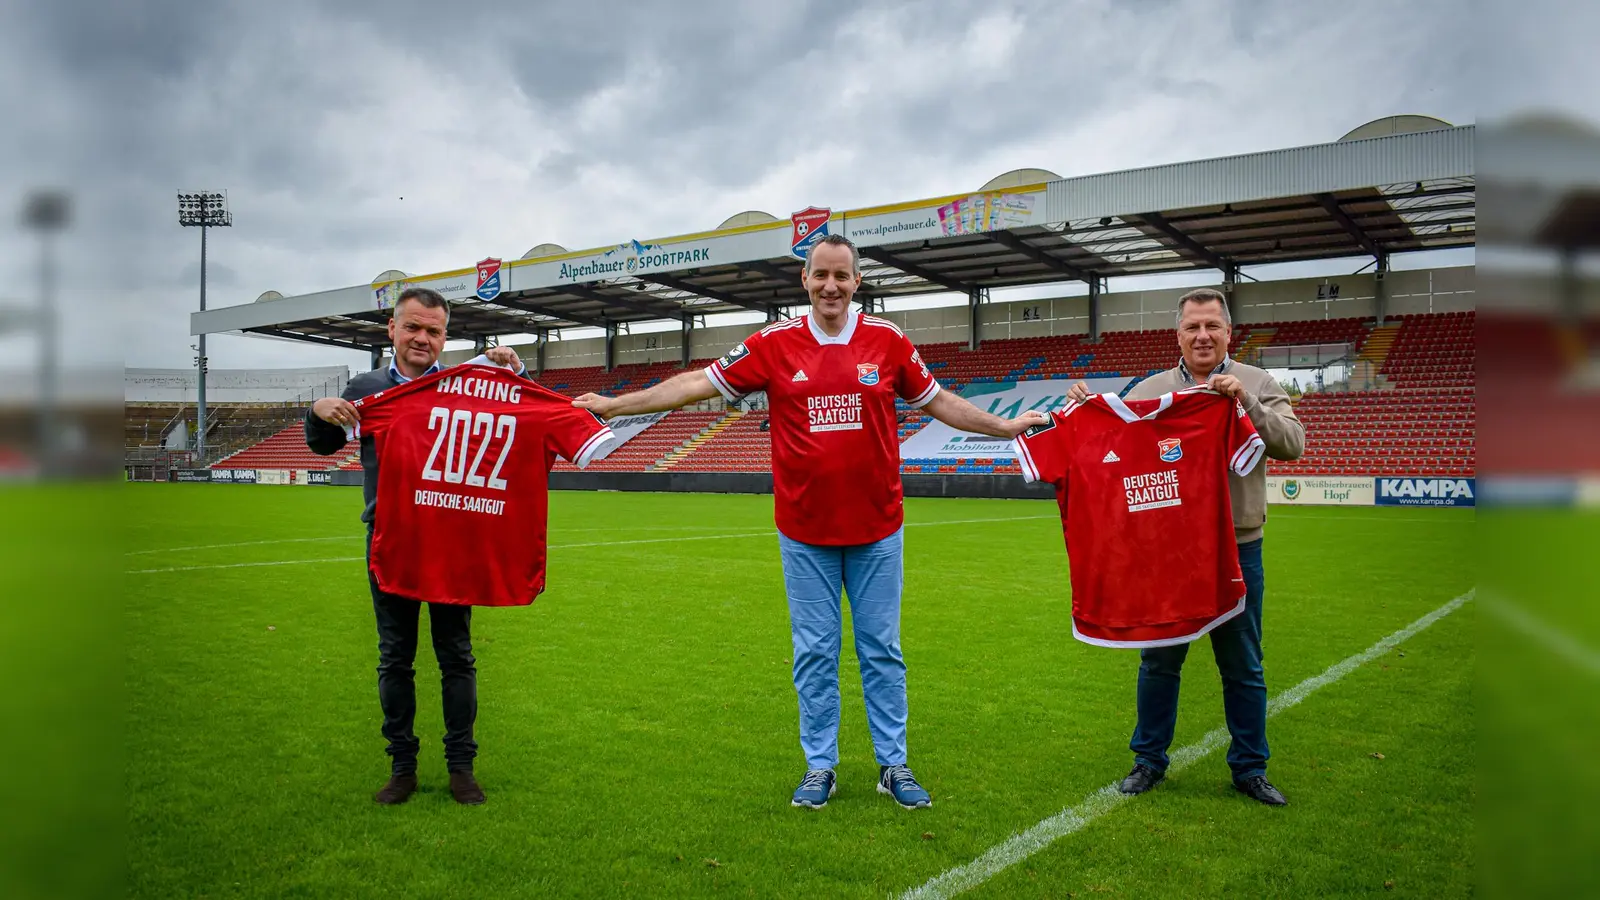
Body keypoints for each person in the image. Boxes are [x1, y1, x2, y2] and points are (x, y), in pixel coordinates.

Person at [574, 234, 1047, 809]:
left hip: (877, 529)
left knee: (882, 651)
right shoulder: (773, 345)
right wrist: (615, 405)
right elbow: (697, 384)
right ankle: (820, 766)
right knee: (815, 653)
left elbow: (939, 400)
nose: (830, 286)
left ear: (857, 281)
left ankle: (893, 765)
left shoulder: (888, 341)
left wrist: (1005, 427)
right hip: (805, 534)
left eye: (841, 276)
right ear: (804, 281)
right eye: (820, 275)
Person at [1067, 287, 1304, 805]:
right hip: (1170, 553)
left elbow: (1292, 442)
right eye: (1192, 327)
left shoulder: (1257, 382)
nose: (1202, 336)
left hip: (1238, 548)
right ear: (1178, 333)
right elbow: (1117, 446)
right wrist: (1089, 413)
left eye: (1211, 327)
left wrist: (1244, 404)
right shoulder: (1150, 388)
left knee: (1243, 664)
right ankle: (1148, 760)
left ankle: (1249, 768)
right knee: (1159, 661)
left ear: (1227, 333)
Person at [305, 286, 526, 806]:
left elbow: (519, 414)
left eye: (433, 330)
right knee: (395, 658)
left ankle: (460, 768)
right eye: (413, 327)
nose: (422, 338)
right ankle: (402, 768)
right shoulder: (366, 387)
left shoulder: (466, 386)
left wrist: (511, 370)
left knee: (457, 656)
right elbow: (323, 442)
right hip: (389, 541)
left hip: (453, 542)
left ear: (446, 336)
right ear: (392, 330)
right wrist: (319, 408)